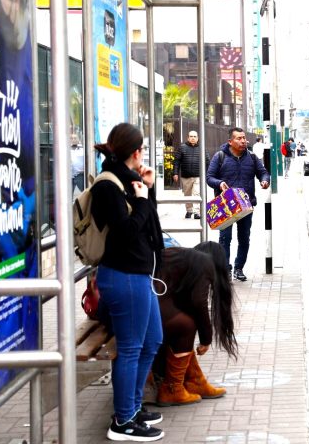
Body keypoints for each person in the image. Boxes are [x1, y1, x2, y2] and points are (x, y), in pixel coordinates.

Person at [91, 123, 166, 442]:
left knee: (152, 341)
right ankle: (123, 420)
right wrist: (143, 199)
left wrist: (147, 191)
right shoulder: (107, 185)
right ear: (136, 152)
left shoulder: (131, 179)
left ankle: (132, 407)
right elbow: (125, 233)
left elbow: (150, 224)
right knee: (131, 349)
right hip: (123, 276)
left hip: (139, 276)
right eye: (142, 151)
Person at [152, 242, 237, 406]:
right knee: (185, 325)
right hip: (142, 302)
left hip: (133, 298)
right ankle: (173, 389)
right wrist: (206, 338)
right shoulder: (204, 262)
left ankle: (195, 380)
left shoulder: (184, 258)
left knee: (180, 322)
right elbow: (199, 302)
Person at [206, 127, 270, 282]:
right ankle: (225, 270)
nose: (243, 141)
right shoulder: (219, 156)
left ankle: (239, 268)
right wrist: (220, 183)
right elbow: (209, 177)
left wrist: (265, 180)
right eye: (239, 138)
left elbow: (263, 172)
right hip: (226, 206)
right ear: (230, 141)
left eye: (244, 138)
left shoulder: (252, 157)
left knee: (244, 238)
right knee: (225, 238)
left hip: (246, 205)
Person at [172, 131, 210, 219]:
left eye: (195, 136)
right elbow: (176, 161)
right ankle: (189, 211)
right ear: (188, 138)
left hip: (198, 176)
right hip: (185, 176)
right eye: (191, 136)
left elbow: (207, 161)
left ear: (198, 138)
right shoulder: (182, 148)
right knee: (187, 194)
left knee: (197, 194)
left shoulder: (202, 148)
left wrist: (208, 174)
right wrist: (175, 173)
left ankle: (197, 212)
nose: (193, 138)